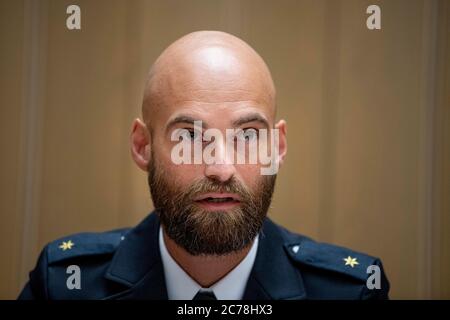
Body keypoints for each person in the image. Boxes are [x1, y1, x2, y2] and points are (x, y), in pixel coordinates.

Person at [18, 31, 389, 300]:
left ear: (276, 147)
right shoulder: (65, 283)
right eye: (190, 137)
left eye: (247, 136)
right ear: (142, 146)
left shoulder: (350, 291)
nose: (221, 168)